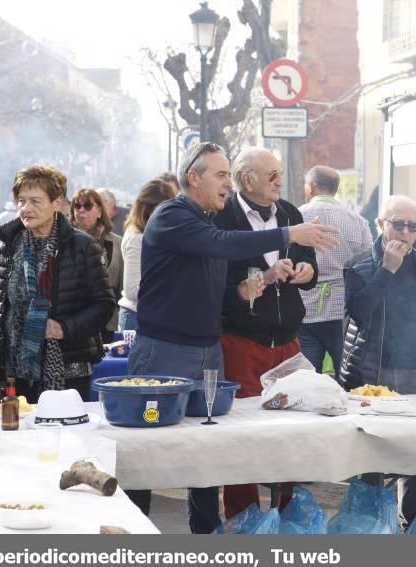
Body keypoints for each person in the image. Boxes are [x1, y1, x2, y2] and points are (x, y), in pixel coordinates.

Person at [127, 141, 339, 532]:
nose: (228, 184)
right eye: (221, 175)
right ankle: (131, 535)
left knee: (206, 453)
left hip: (206, 352)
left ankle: (207, 536)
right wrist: (289, 232)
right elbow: (221, 245)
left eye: (229, 174)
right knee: (146, 451)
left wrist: (252, 286)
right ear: (194, 178)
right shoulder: (173, 215)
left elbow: (219, 292)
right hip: (164, 354)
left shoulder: (206, 220)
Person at [213, 147, 319, 519]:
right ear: (248, 180)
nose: (279, 181)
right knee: (242, 431)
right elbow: (219, 283)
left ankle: (287, 513)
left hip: (287, 341)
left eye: (279, 174)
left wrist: (306, 270)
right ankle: (243, 521)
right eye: (271, 175)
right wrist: (260, 278)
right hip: (243, 341)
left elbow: (311, 261)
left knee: (290, 427)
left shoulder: (291, 213)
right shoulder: (223, 217)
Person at [341, 195, 416, 528]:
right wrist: (386, 271)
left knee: (415, 456)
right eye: (397, 224)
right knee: (370, 456)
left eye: (412, 227)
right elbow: (358, 312)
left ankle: (412, 526)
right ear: (380, 225)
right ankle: (370, 526)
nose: (404, 233)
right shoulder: (359, 264)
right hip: (370, 373)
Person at [0, 165, 114, 404]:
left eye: (35, 201)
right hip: (16, 371)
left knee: (65, 438)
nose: (26, 208)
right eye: (21, 201)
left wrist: (64, 328)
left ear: (57, 203)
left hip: (68, 369)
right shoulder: (8, 246)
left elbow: (104, 305)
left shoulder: (82, 246)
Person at [298, 165, 372, 377]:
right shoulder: (357, 221)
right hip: (343, 310)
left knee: (308, 377)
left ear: (311, 187)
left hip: (305, 308)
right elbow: (367, 265)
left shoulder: (297, 217)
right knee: (347, 374)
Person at [117, 179, 176, 332]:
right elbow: (132, 289)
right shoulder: (136, 238)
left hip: (153, 314)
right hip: (136, 316)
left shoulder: (155, 232)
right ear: (146, 209)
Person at [69, 188, 123, 344]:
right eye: (77, 206)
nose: (81, 210)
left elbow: (120, 287)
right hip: (73, 322)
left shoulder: (116, 243)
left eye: (87, 206)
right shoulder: (65, 241)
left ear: (99, 210)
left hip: (106, 323)